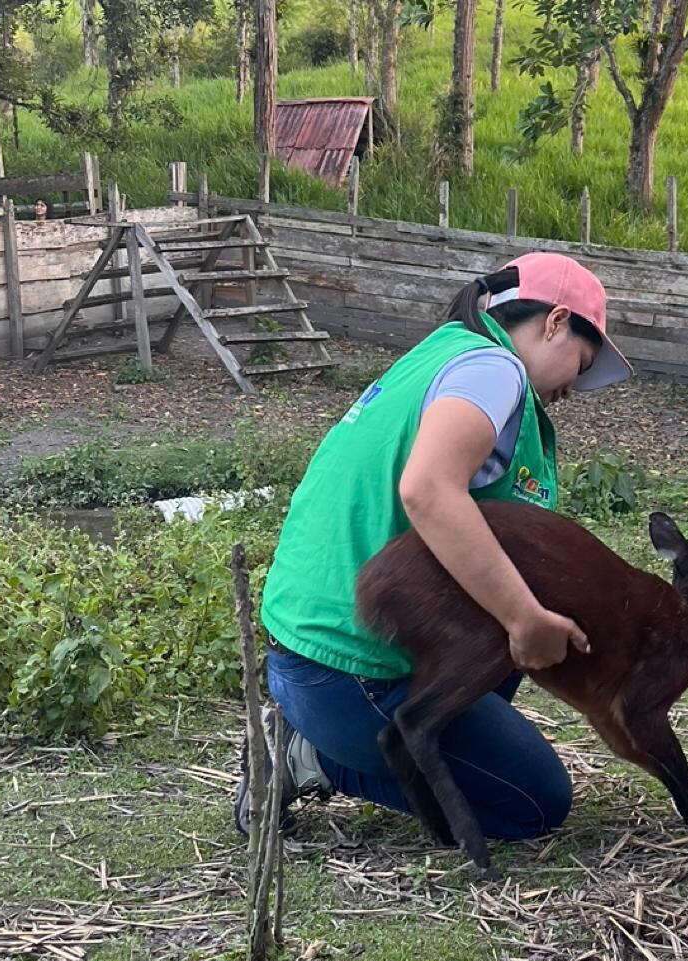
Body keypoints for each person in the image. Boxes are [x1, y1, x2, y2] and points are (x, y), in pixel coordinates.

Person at [233, 251, 633, 841]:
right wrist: (523, 617)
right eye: (582, 361)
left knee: (503, 621)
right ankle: (310, 758)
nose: (573, 386)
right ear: (555, 322)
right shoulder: (493, 371)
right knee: (533, 802)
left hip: (311, 648)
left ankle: (332, 734)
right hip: (351, 668)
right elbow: (427, 489)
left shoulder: (445, 352)